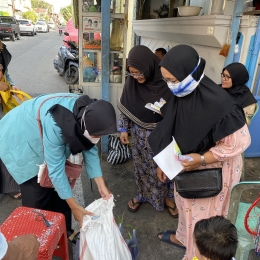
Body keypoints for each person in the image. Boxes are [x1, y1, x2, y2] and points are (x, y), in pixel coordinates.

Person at [148, 45, 250, 259]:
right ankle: (184, 238)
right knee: (186, 208)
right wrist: (165, 164)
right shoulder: (180, 97)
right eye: (166, 80)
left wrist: (202, 158)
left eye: (173, 80)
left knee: (205, 224)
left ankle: (198, 254)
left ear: (191, 73)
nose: (170, 86)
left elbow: (239, 143)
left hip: (212, 174)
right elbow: (172, 135)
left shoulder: (223, 105)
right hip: (188, 169)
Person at [0, 93, 117, 233]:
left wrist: (101, 185)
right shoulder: (57, 122)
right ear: (84, 126)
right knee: (38, 195)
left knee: (60, 191)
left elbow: (89, 147)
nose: (98, 138)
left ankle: (63, 233)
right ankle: (36, 241)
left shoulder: (86, 112)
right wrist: (74, 207)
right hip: (20, 137)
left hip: (40, 130)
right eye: (97, 135)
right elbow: (55, 169)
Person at [117, 45, 178, 217]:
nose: (136, 77)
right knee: (141, 167)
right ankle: (142, 194)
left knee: (165, 166)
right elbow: (124, 106)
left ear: (148, 67)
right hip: (138, 135)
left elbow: (176, 110)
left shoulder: (166, 82)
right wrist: (123, 129)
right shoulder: (131, 82)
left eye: (139, 72)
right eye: (132, 73)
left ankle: (168, 198)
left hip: (163, 135)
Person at [0, 40, 21, 200]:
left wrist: (12, 86)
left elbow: (6, 75)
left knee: (5, 141)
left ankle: (10, 185)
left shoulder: (2, 50)